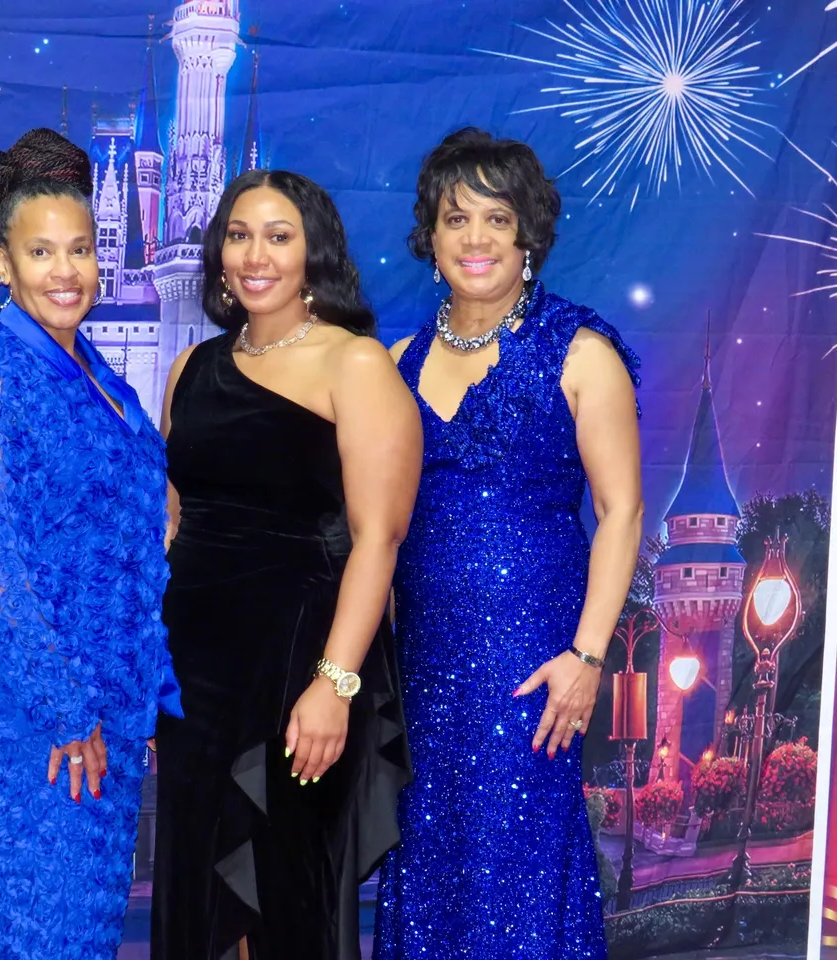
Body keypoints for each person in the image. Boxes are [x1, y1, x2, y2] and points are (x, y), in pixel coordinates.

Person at [0, 127, 181, 960]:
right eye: (40, 251)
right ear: (3, 263)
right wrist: (64, 709)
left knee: (82, 937)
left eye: (81, 249)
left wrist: (136, 691)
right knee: (40, 936)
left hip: (101, 713)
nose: (65, 271)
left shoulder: (97, 370)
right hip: (20, 717)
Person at [374, 127, 643, 959]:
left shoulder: (582, 352)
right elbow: (370, 528)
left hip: (537, 673)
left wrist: (589, 658)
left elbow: (622, 510)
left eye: (497, 218)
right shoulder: (394, 361)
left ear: (528, 234)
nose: (477, 239)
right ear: (431, 235)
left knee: (522, 870)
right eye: (457, 219)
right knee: (431, 866)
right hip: (422, 676)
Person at [151, 169, 420, 959]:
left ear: (315, 253)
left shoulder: (356, 365)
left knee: (289, 894)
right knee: (197, 892)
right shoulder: (191, 369)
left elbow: (379, 538)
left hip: (302, 667)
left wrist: (335, 687)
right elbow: (175, 523)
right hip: (194, 677)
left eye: (279, 235)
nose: (255, 254)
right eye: (238, 234)